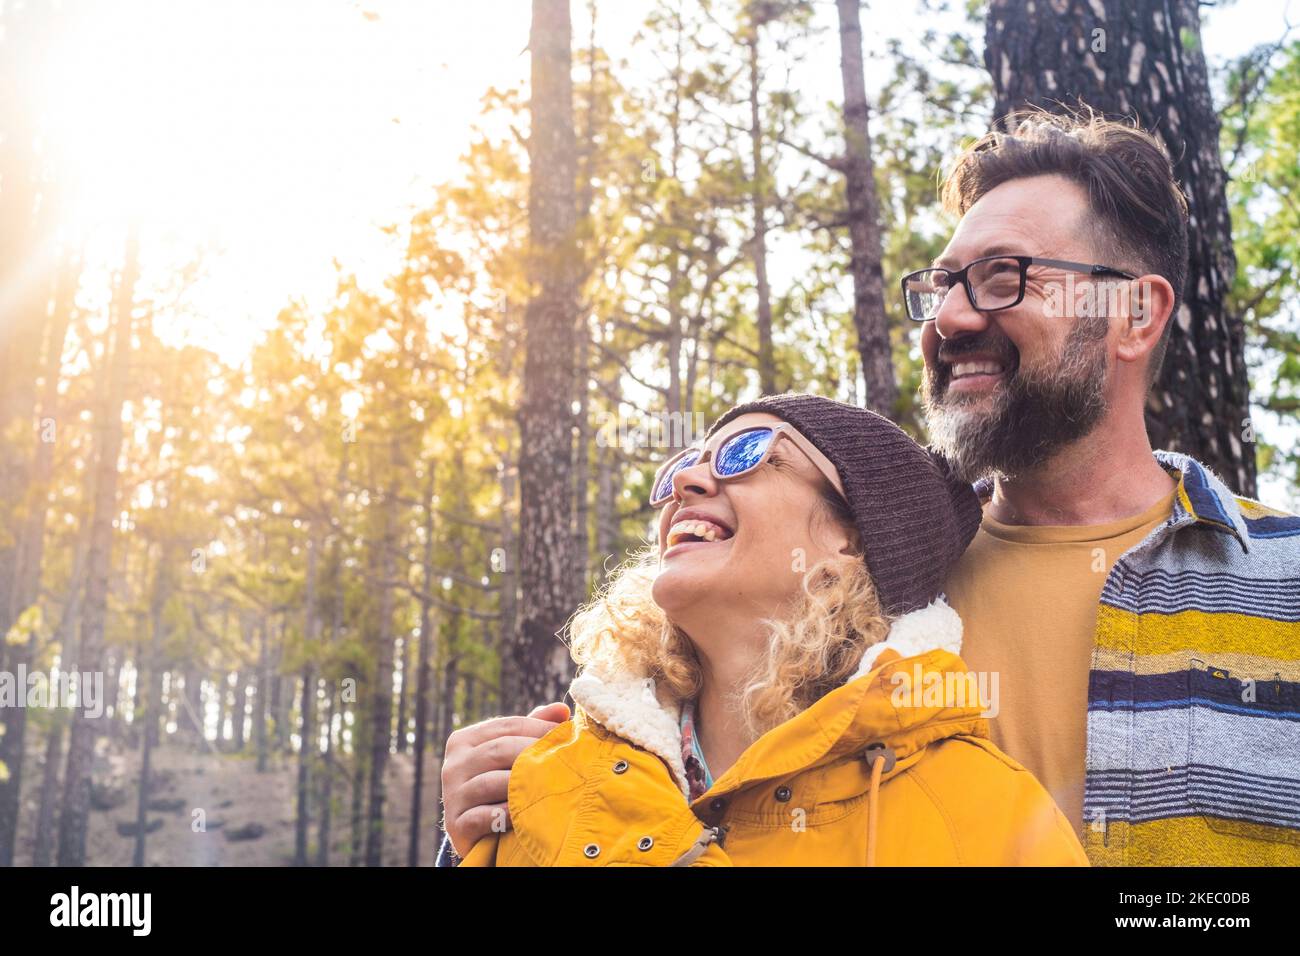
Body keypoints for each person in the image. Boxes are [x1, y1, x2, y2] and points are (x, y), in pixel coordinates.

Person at [440, 108, 1300, 868]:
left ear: (1136, 315)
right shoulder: (862, 606)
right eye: (942, 286)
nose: (954, 318)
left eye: (1006, 277)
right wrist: (491, 825)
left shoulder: (1286, 585)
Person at [452, 395, 1086, 866]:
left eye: (745, 454)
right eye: (683, 468)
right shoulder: (551, 775)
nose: (689, 484)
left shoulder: (993, 821)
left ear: (853, 535)